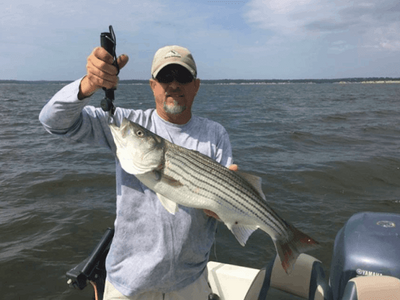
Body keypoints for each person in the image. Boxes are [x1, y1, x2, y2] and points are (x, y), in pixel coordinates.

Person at [39, 45, 234, 299]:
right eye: (165, 77)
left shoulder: (215, 134)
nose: (174, 84)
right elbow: (52, 121)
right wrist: (89, 84)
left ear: (196, 85)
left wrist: (223, 208)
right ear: (153, 85)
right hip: (129, 283)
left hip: (190, 282)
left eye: (183, 77)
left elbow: (225, 207)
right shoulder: (126, 124)